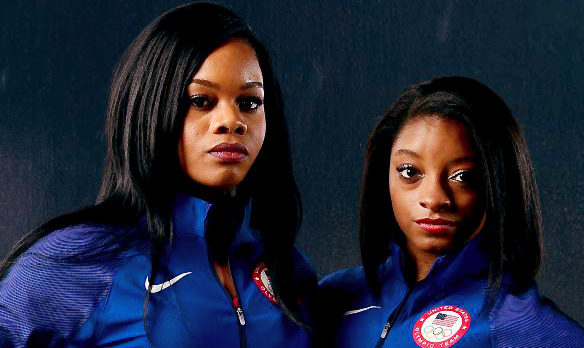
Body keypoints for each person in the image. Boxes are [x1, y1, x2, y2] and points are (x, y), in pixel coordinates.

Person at [0, 3, 316, 347]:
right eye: (201, 100)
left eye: (249, 102)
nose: (232, 120)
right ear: (152, 107)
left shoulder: (288, 271)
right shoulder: (80, 258)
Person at [317, 76, 584, 347]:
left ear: (498, 183)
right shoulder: (333, 297)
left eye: (462, 176)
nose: (434, 198)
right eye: (410, 172)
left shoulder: (514, 321)